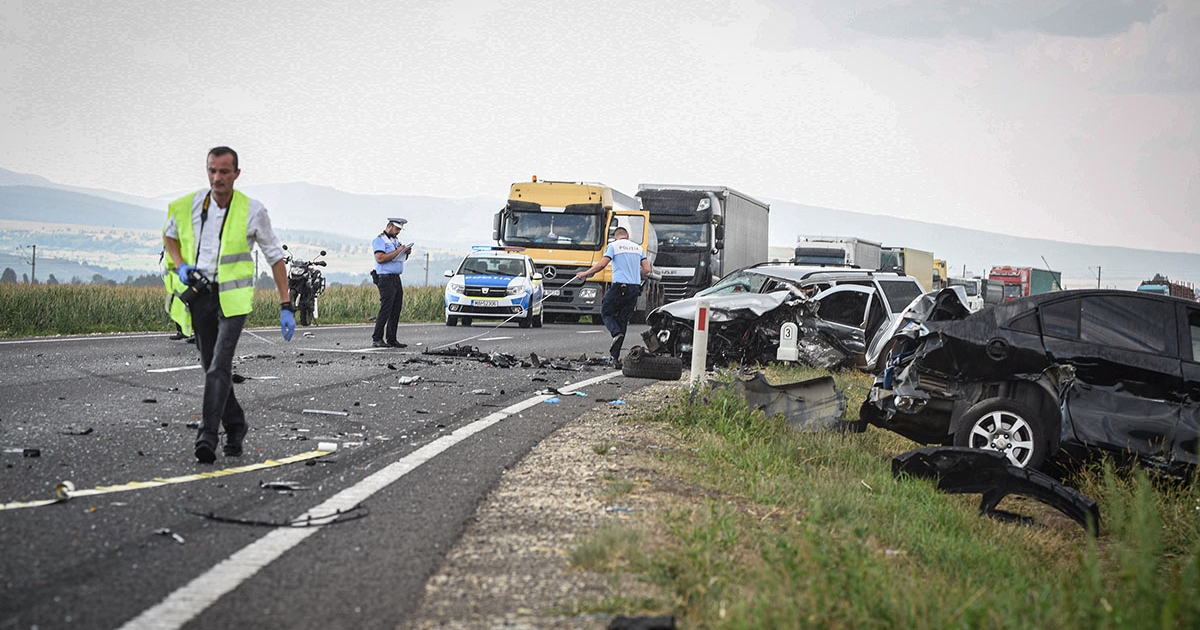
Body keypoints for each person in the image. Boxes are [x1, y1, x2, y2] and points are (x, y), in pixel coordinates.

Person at [163, 146, 294, 464]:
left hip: (234, 300)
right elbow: (169, 237)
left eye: (224, 171)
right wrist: (180, 265)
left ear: (236, 173)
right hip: (200, 295)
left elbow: (275, 257)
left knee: (220, 365)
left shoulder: (253, 210)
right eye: (212, 170)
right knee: (211, 367)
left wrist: (286, 304)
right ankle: (236, 426)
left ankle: (207, 436)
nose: (217, 177)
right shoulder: (190, 205)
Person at [573, 226, 651, 367]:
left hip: (619, 287)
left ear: (616, 237)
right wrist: (634, 274)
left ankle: (615, 334)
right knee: (623, 319)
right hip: (634, 288)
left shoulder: (613, 246)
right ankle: (615, 357)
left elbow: (602, 264)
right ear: (627, 235)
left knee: (606, 312)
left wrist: (585, 273)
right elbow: (647, 269)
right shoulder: (638, 248)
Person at [372, 217, 413, 348]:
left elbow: (398, 259)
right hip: (385, 277)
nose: (398, 232)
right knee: (386, 308)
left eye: (399, 230)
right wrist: (397, 252)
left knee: (396, 308)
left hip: (396, 277)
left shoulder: (395, 240)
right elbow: (380, 258)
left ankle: (391, 338)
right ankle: (377, 338)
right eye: (396, 229)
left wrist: (406, 253)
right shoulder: (380, 240)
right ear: (389, 226)